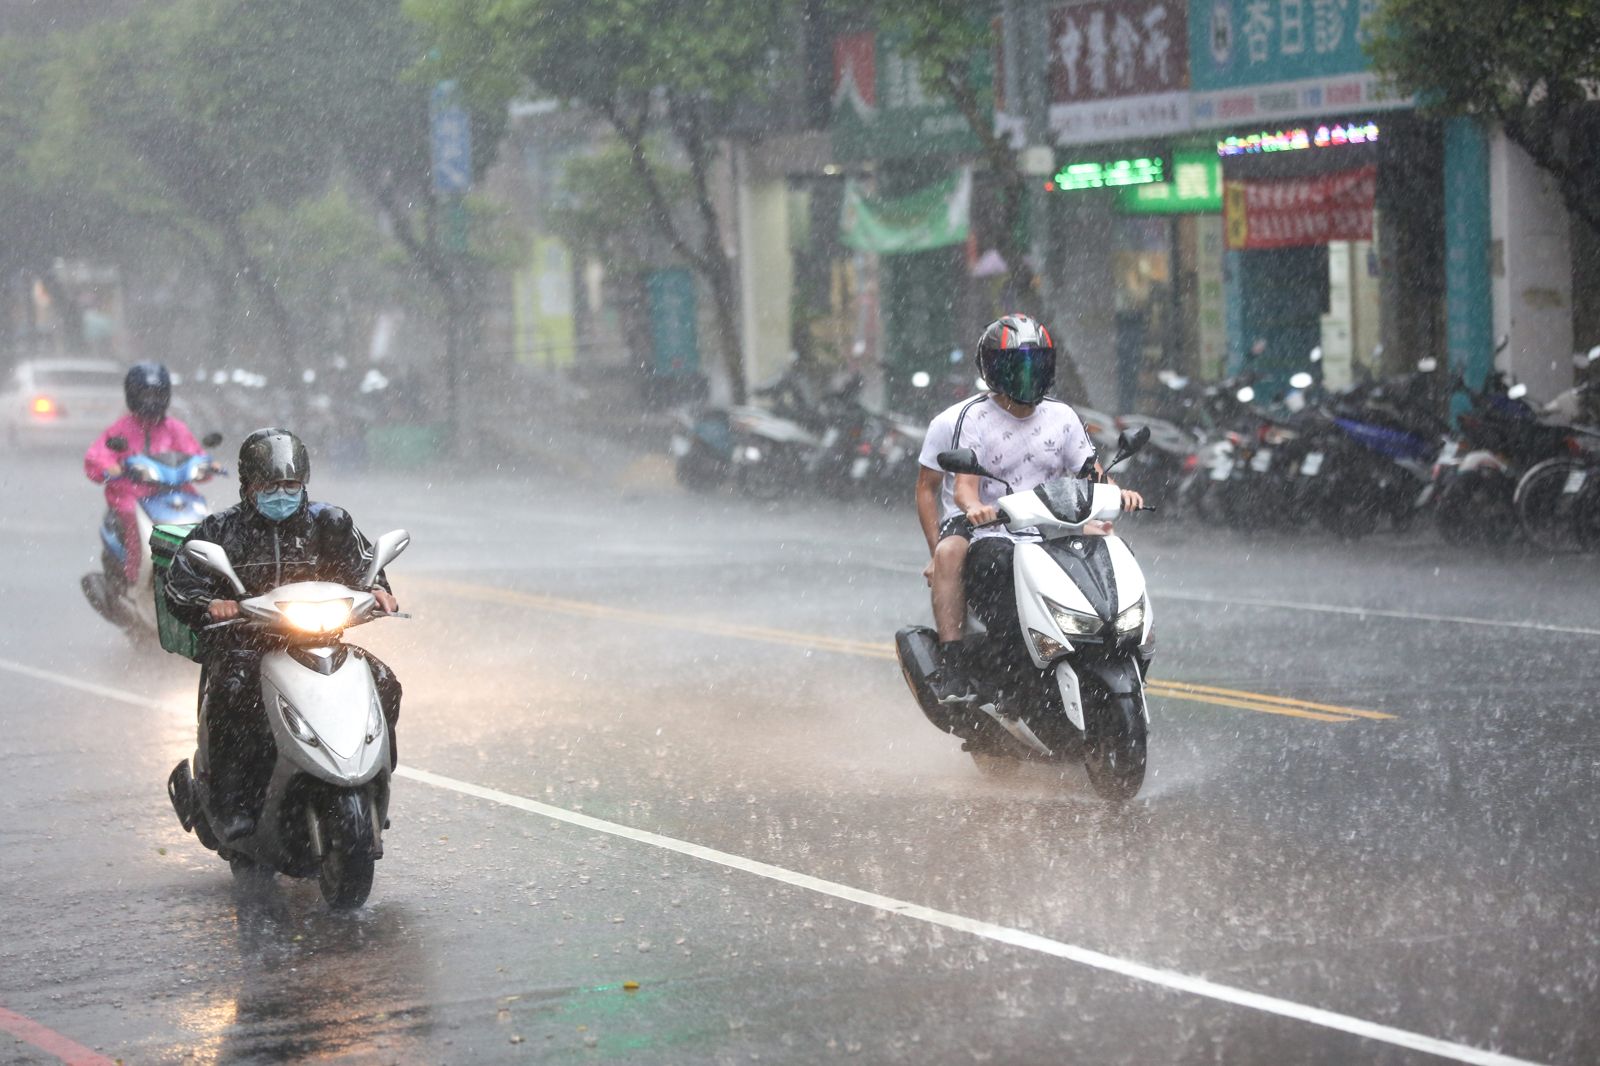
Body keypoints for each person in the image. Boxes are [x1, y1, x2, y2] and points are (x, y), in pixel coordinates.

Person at [163, 428, 401, 842]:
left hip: (319, 640)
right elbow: (179, 584)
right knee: (232, 693)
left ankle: (374, 782)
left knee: (385, 683)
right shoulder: (221, 530)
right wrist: (210, 603)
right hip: (245, 646)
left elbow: (363, 568)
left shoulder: (330, 523)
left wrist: (379, 589)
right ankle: (231, 803)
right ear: (247, 485)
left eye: (291, 485)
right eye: (269, 485)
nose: (282, 493)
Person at [946, 315, 1143, 694]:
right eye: (1016, 367)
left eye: (1036, 365)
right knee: (995, 567)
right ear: (992, 369)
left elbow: (1093, 473)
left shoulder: (1062, 416)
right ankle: (1009, 672)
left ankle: (1118, 645)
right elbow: (964, 488)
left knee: (1116, 555)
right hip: (999, 533)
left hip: (1058, 529)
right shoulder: (976, 418)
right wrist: (976, 509)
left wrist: (1119, 494)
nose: (1027, 376)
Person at [84, 362, 205, 591]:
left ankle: (203, 574)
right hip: (131, 494)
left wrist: (207, 464)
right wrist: (109, 466)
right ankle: (135, 576)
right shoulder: (121, 429)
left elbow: (194, 453)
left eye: (157, 394)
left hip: (175, 492)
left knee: (204, 517)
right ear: (132, 395)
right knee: (131, 515)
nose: (151, 400)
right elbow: (97, 456)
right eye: (145, 394)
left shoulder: (176, 429)